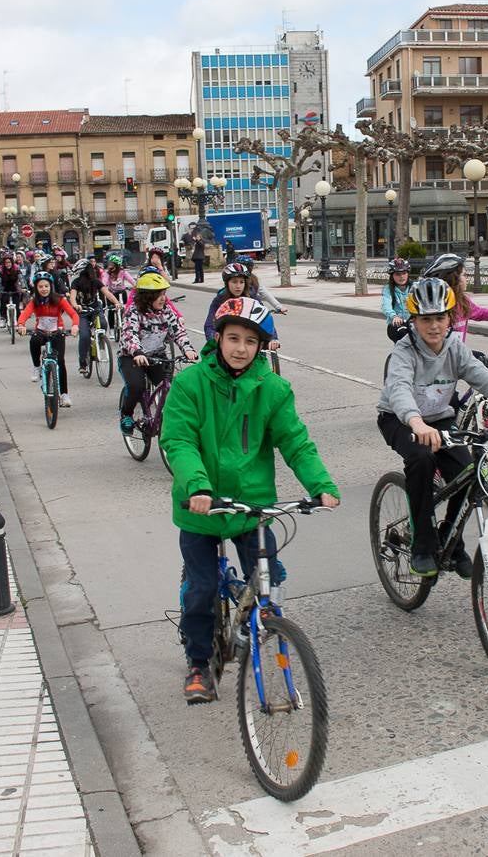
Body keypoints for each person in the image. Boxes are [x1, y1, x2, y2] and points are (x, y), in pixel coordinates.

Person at [162, 296, 341, 703]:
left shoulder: (273, 389)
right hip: (201, 507)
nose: (241, 348)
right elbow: (179, 441)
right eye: (233, 338)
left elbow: (295, 441)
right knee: (202, 589)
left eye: (250, 341)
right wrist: (197, 487)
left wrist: (320, 484)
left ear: (261, 346)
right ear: (218, 339)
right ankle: (198, 661)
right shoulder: (190, 384)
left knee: (271, 576)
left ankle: (258, 621)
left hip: (251, 506)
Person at [377, 277, 488, 578]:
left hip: (439, 418)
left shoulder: (454, 348)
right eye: (426, 319)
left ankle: (450, 537)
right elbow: (400, 389)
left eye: (441, 317)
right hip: (399, 418)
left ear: (450, 318)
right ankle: (422, 545)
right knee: (421, 459)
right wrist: (416, 422)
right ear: (414, 321)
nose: (434, 326)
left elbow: (487, 380)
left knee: (470, 472)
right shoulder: (405, 351)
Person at [117, 273, 197, 433]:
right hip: (132, 357)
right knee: (136, 386)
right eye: (159, 295)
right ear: (147, 297)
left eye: (164, 294)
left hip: (156, 356)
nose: (163, 299)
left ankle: (168, 422)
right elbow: (129, 334)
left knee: (171, 389)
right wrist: (137, 352)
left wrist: (187, 349)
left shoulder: (166, 312)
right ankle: (126, 414)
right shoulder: (133, 312)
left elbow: (178, 332)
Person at [422, 253, 488, 340]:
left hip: (458, 357)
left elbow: (480, 313)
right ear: (453, 279)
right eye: (464, 275)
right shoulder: (434, 306)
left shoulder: (462, 301)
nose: (467, 278)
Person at [16, 272, 80, 408]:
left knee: (61, 362)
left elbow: (73, 314)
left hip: (57, 332)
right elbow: (25, 314)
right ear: (36, 288)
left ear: (51, 286)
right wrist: (21, 325)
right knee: (33, 340)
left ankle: (64, 394)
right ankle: (36, 367)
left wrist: (74, 325)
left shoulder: (60, 299)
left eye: (46, 286)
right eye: (40, 287)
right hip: (41, 332)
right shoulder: (34, 301)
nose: (44, 289)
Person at [203, 263, 279, 348]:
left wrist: (273, 338)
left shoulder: (253, 298)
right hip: (227, 345)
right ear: (227, 283)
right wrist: (214, 340)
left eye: (241, 282)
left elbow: (264, 319)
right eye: (234, 282)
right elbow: (209, 325)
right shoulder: (219, 300)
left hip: (250, 343)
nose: (238, 286)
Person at [69, 259, 122, 374]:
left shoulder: (96, 281)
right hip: (82, 311)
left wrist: (116, 303)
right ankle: (83, 362)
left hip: (96, 309)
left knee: (103, 323)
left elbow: (107, 293)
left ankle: (100, 341)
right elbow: (72, 297)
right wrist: (75, 305)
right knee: (84, 335)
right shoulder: (76, 283)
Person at [380, 257, 413, 341]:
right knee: (402, 336)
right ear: (392, 276)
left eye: (404, 273)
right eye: (397, 274)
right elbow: (386, 305)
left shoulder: (414, 287)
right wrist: (394, 316)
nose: (401, 276)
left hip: (413, 322)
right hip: (397, 324)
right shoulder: (388, 289)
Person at [0, 254, 23, 328]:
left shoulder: (16, 269)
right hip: (4, 289)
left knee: (17, 307)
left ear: (12, 262)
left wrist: (24, 287)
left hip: (15, 289)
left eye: (9, 262)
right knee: (3, 303)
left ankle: (19, 322)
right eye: (6, 263)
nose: (8, 264)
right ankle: (3, 319)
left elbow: (21, 279)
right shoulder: (0, 270)